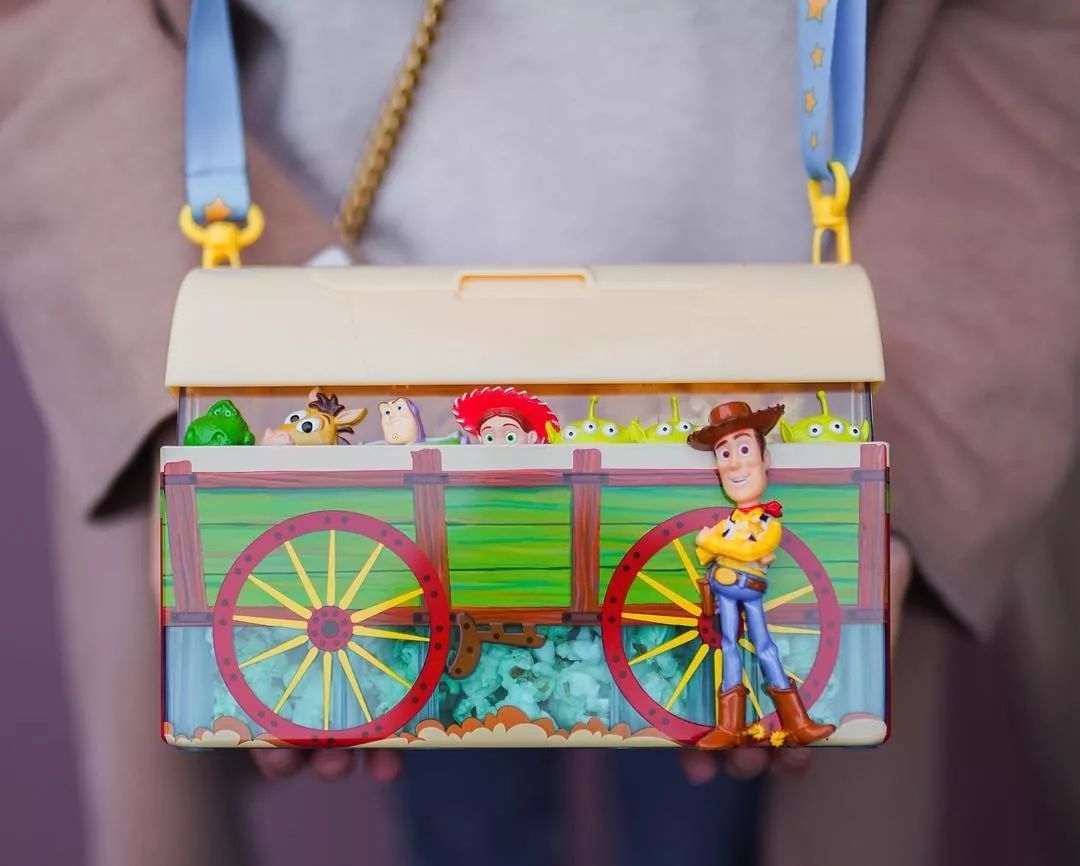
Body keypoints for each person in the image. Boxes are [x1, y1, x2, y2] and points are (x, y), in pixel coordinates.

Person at [1, 1, 1077, 866]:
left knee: (734, 785)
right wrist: (270, 378)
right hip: (333, 416)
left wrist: (905, 432)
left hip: (775, 413)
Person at [689, 401, 834, 749]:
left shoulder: (768, 523)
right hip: (724, 590)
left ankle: (797, 722)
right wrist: (718, 545)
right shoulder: (729, 523)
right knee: (728, 646)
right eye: (725, 454)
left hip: (750, 588)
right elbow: (704, 554)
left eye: (743, 449)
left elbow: (749, 551)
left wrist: (716, 543)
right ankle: (729, 726)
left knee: (764, 646)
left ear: (765, 459)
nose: (735, 463)